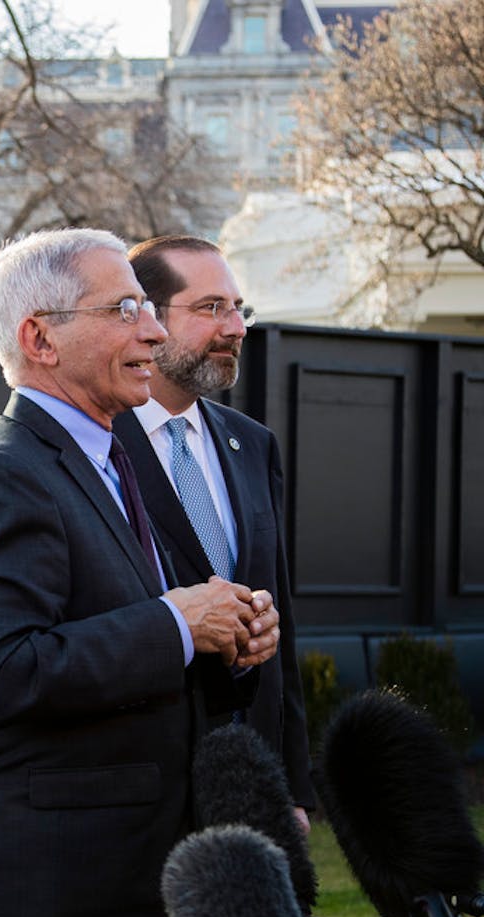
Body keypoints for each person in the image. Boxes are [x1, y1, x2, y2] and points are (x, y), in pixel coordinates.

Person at [0, 228, 281, 917]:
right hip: (44, 894)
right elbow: (5, 675)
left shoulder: (106, 458)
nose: (151, 333)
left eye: (148, 309)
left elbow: (129, 649)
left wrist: (229, 640)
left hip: (126, 882)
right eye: (124, 310)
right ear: (40, 340)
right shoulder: (1, 474)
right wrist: (178, 624)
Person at [114, 234, 315, 828]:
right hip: (145, 797)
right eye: (210, 309)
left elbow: (282, 632)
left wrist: (294, 787)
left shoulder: (253, 444)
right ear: (145, 318)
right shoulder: (95, 447)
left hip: (249, 787)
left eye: (238, 308)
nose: (235, 328)